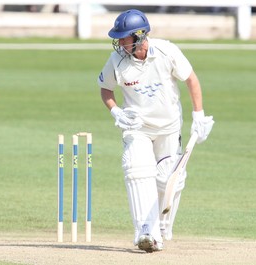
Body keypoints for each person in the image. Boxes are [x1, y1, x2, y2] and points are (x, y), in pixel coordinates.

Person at [97, 9, 214, 253]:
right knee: (136, 170)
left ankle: (161, 229)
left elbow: (191, 79)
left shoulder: (166, 51)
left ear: (139, 37)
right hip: (136, 127)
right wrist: (116, 111)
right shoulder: (116, 61)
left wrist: (198, 115)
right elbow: (105, 89)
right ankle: (144, 232)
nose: (119, 43)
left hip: (169, 127)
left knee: (168, 180)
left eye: (124, 38)